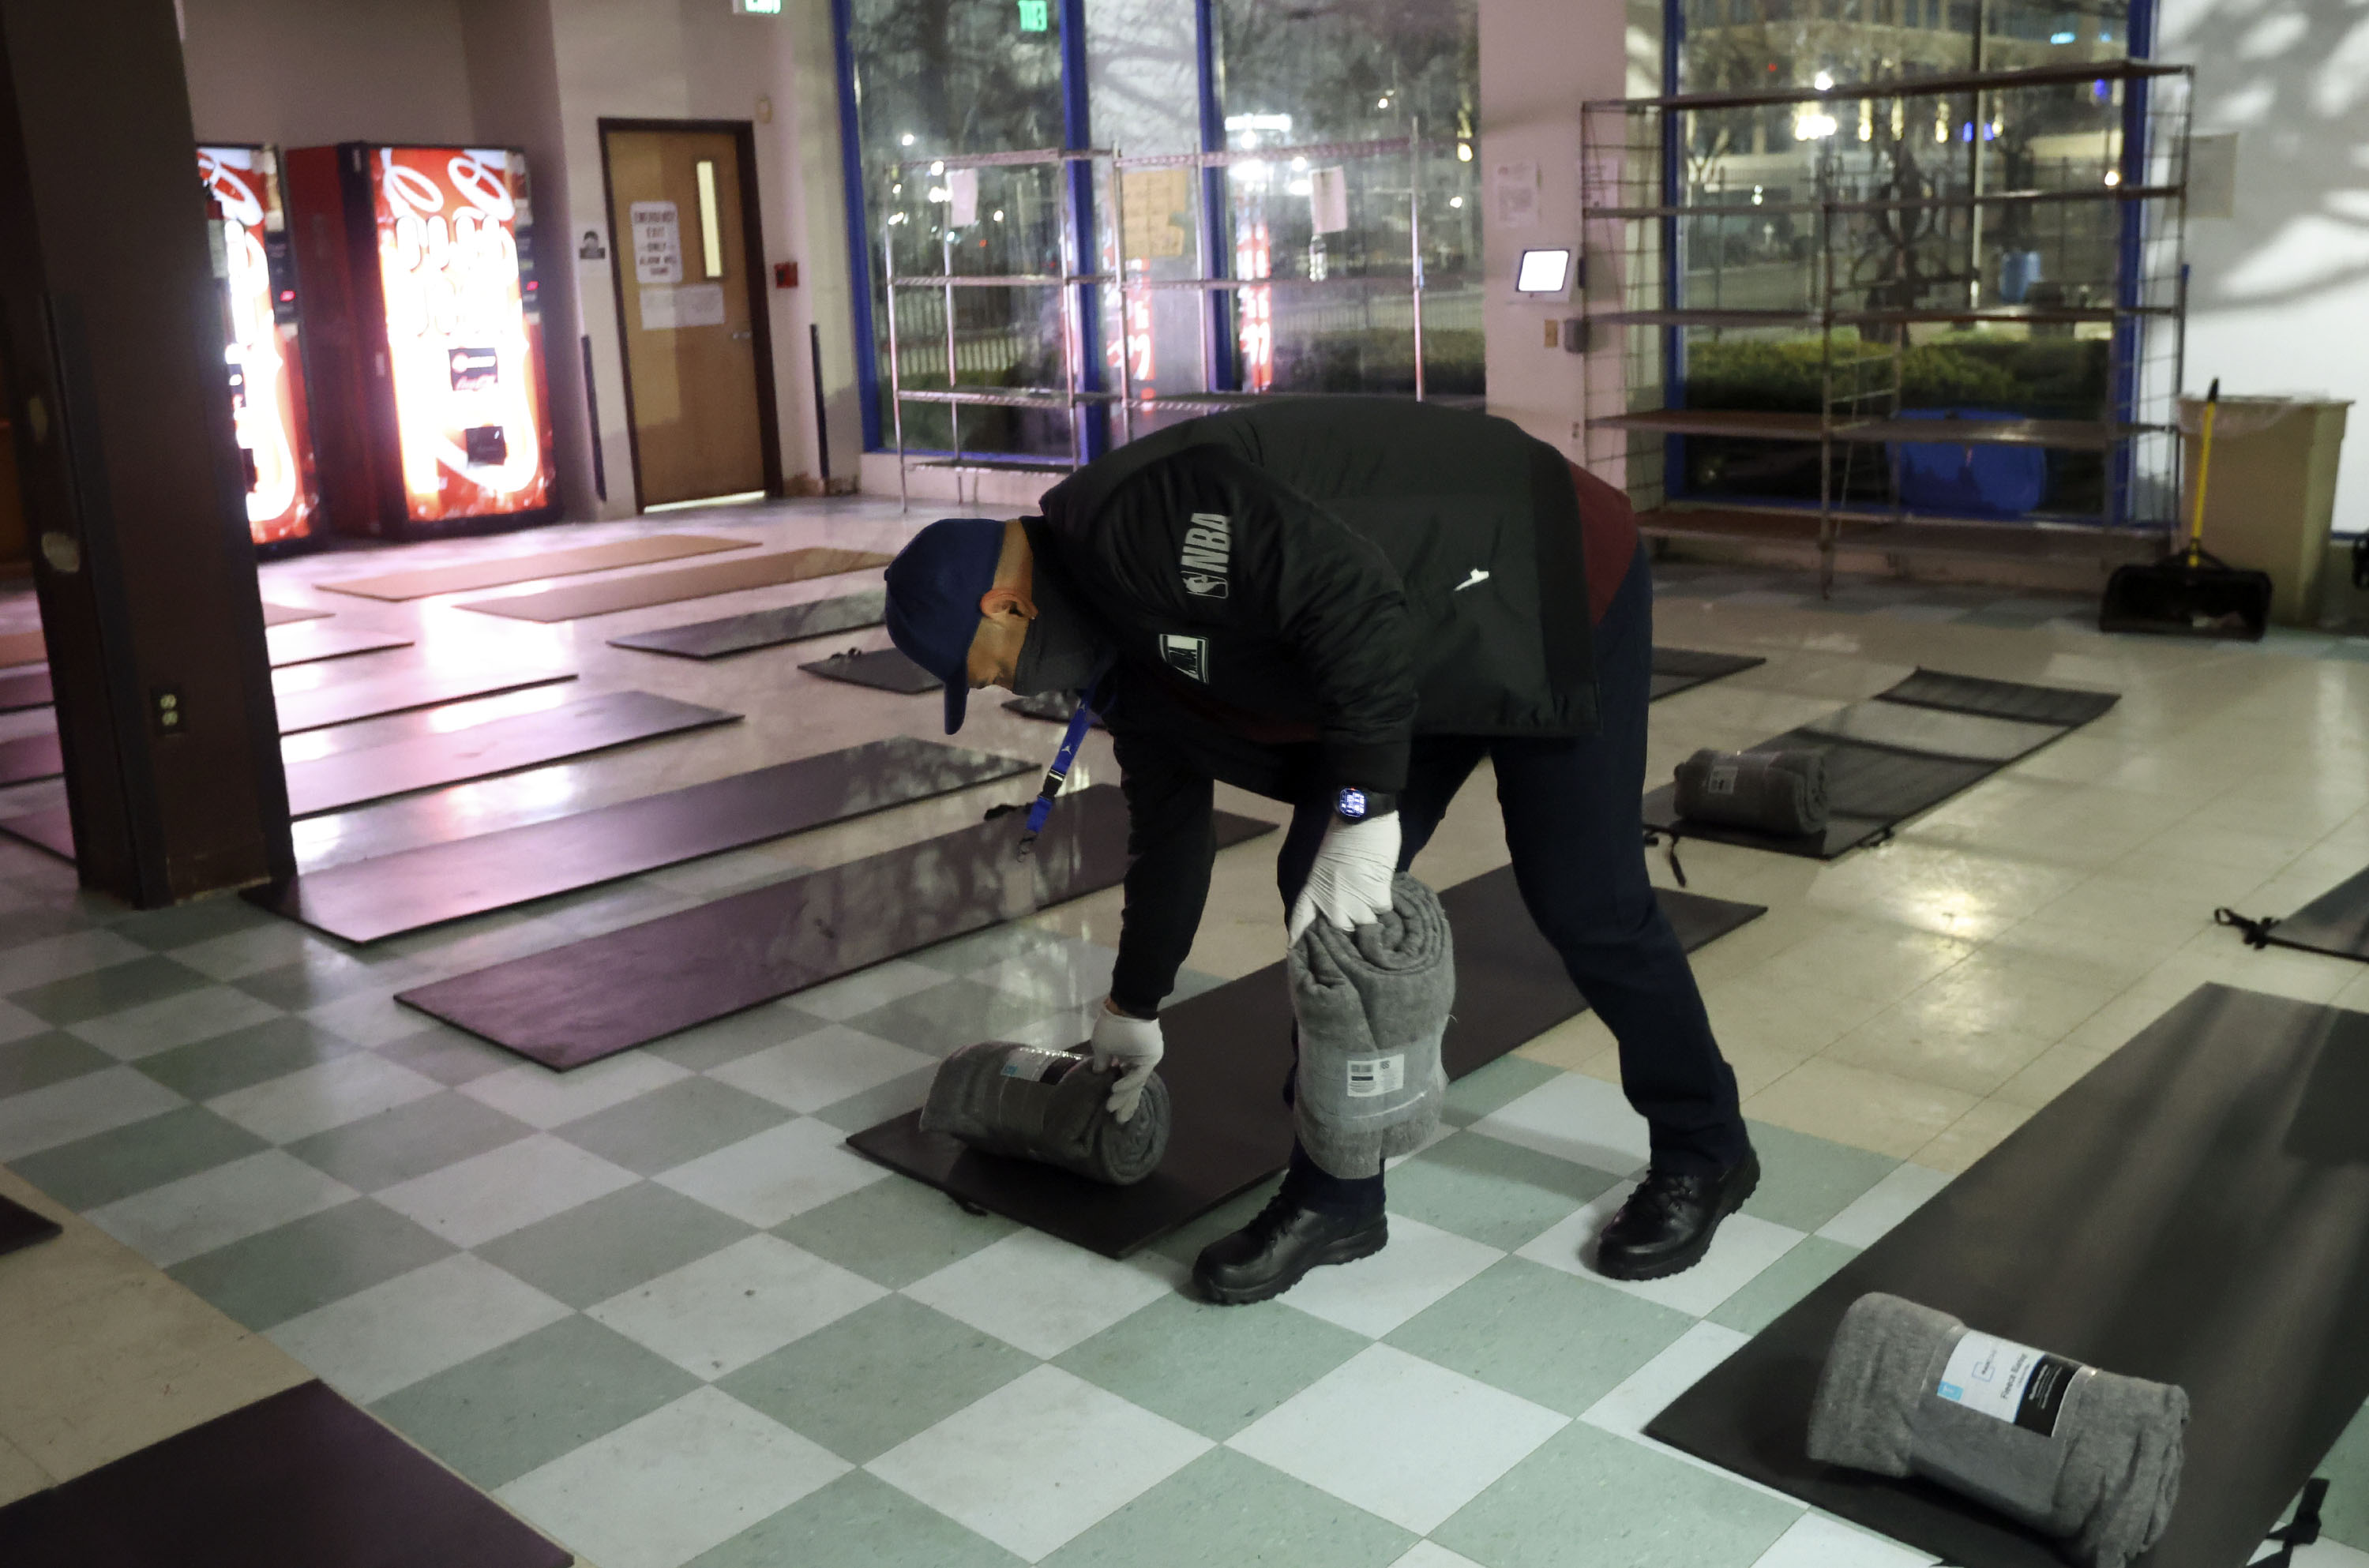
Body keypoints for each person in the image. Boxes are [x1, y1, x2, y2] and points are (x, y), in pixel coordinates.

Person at [883, 399, 1755, 1305]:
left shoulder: (1140, 517)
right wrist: (1133, 1004)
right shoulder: (1115, 652)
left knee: (1585, 898)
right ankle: (1339, 1191)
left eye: (981, 668)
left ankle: (1708, 1146)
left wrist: (1364, 803)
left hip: (1543, 568)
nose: (994, 687)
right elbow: (1170, 831)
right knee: (1318, 879)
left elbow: (1352, 603)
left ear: (1008, 604)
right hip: (1417, 638)